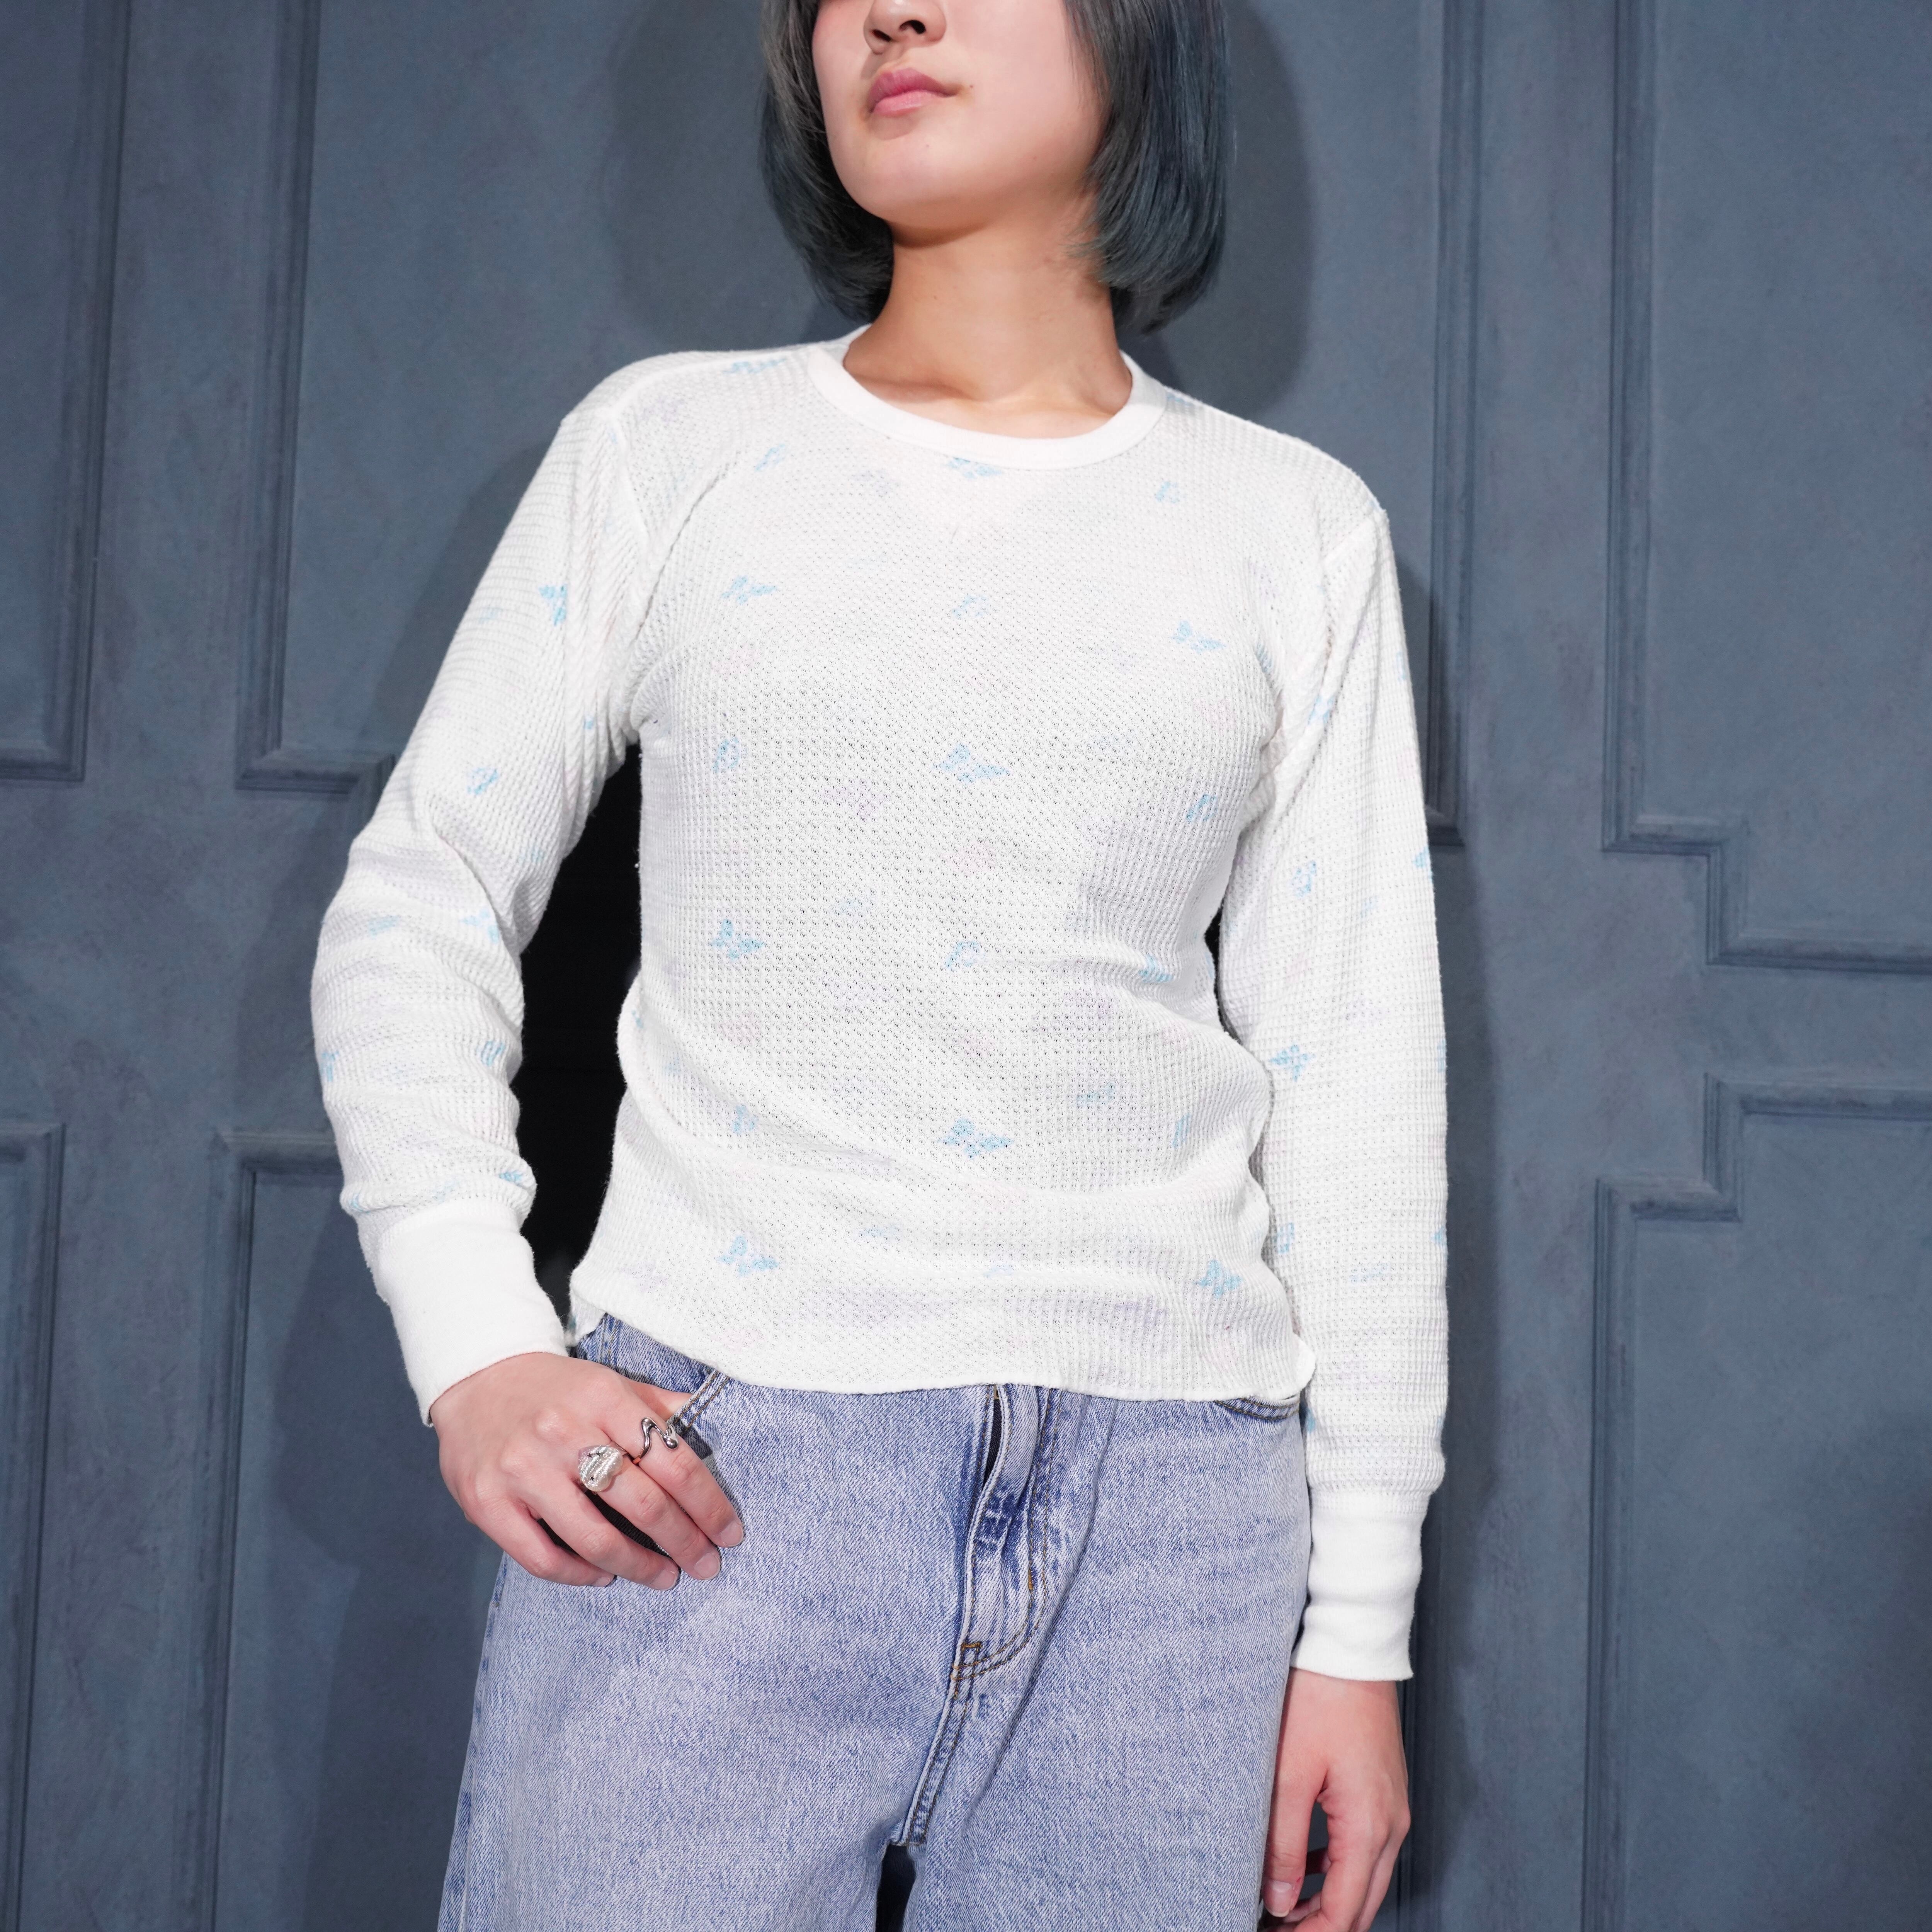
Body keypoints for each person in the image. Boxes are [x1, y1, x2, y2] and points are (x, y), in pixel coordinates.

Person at [310, 0, 1449, 1925]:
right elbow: (418, 899)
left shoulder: (1294, 531)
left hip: (1170, 1533)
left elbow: (1352, 1081)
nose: (891, 15)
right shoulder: (668, 448)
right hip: (709, 1483)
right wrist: (478, 1346)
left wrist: (1355, 1628)